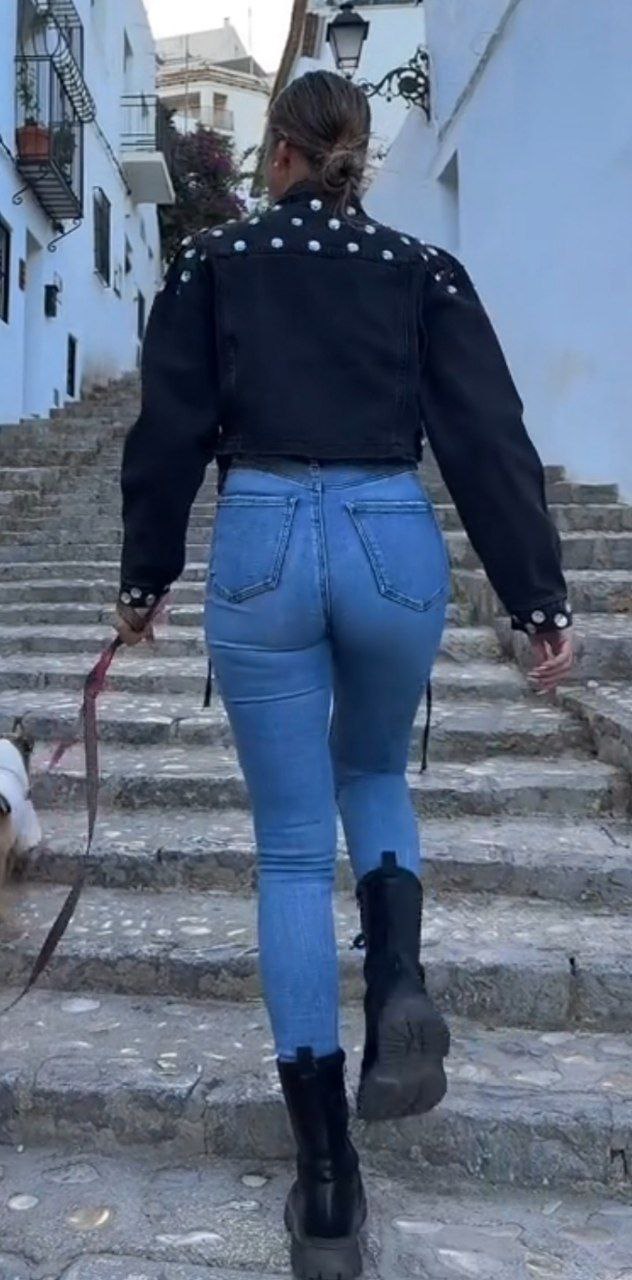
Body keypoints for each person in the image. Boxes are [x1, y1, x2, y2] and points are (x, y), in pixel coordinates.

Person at [115, 70, 573, 1280]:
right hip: (388, 537)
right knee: (371, 771)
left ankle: (326, 1185)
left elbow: (166, 431)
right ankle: (400, 978)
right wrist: (534, 596)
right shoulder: (420, 269)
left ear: (275, 152)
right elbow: (485, 432)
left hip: (264, 532)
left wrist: (144, 577)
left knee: (284, 850)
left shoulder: (214, 263)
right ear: (357, 157)